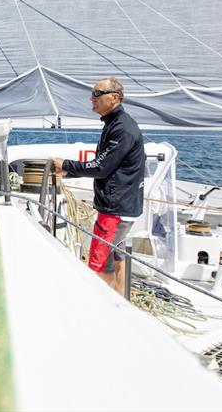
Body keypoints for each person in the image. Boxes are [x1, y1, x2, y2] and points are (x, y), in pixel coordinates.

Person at [52, 78, 145, 296]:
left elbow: (101, 166)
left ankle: (100, 312)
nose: (91, 98)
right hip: (122, 205)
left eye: (97, 93)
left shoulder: (122, 128)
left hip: (115, 209)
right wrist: (69, 170)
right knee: (117, 257)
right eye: (92, 93)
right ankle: (121, 303)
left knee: (99, 263)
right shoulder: (114, 123)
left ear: (115, 97)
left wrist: (65, 166)